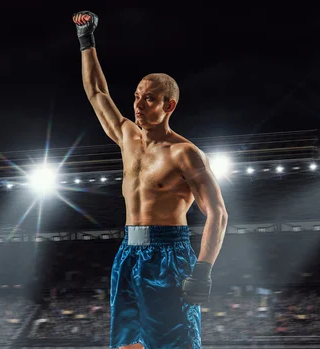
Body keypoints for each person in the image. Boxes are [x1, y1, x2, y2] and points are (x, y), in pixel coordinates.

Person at [72, 11, 228, 349]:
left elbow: (218, 213)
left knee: (175, 343)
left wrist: (203, 270)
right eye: (137, 97)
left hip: (168, 254)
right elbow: (97, 93)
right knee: (128, 344)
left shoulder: (185, 153)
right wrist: (87, 40)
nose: (139, 105)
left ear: (169, 104)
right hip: (128, 252)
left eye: (149, 99)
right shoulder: (128, 136)